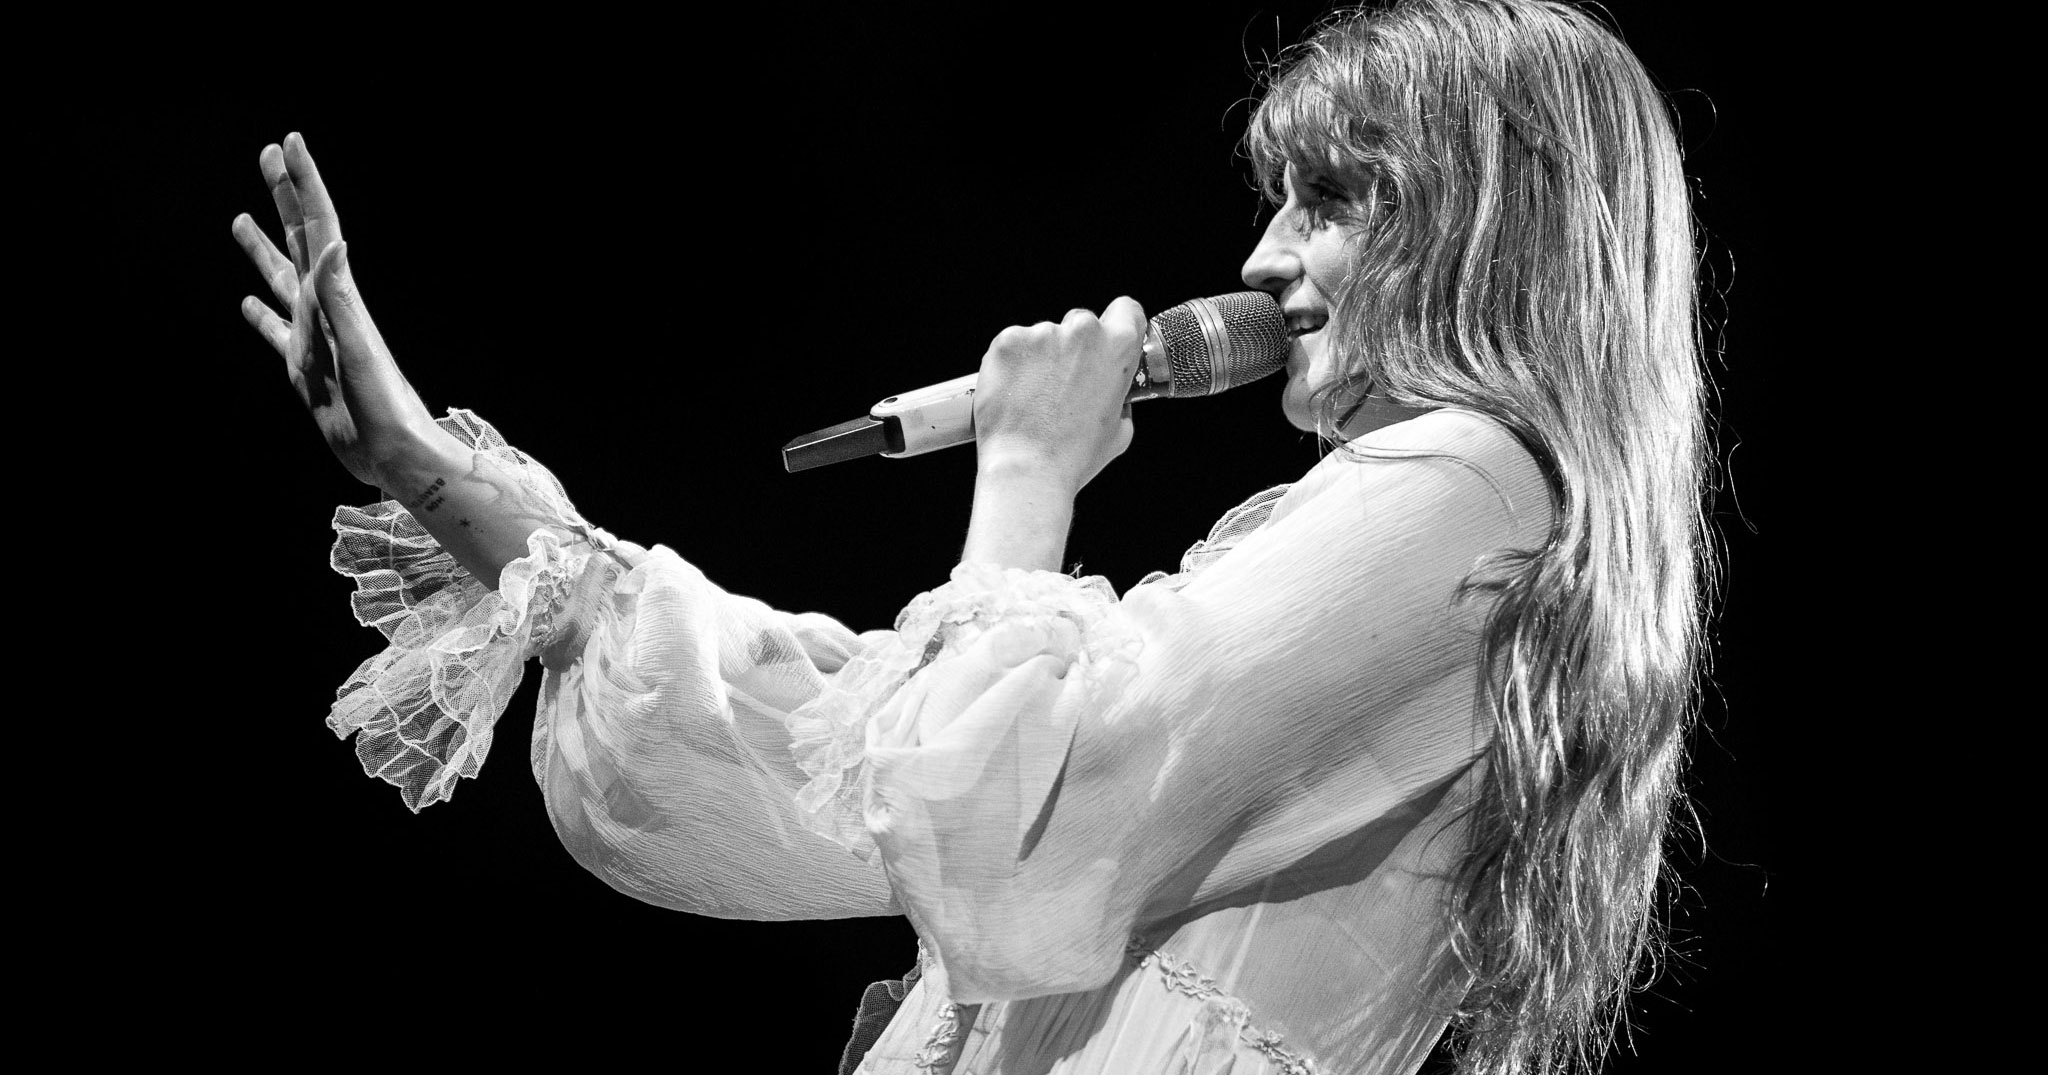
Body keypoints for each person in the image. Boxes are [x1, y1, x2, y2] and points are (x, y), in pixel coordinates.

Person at [231, 2, 1714, 1072]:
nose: (1262, 259)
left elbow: (1014, 830)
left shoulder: (1473, 488)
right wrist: (450, 486)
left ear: (1486, 221)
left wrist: (1023, 473)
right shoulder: (1414, 516)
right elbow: (856, 755)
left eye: (1328, 201)